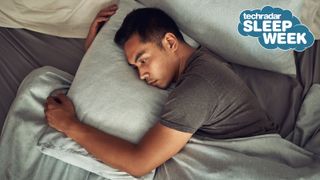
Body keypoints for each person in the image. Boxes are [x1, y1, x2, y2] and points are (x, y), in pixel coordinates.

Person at [44, 6, 278, 177]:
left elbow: (138, 163)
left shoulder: (196, 89)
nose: (141, 75)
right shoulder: (200, 63)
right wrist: (95, 53)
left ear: (170, 42)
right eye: (135, 67)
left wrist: (69, 125)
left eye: (143, 60)